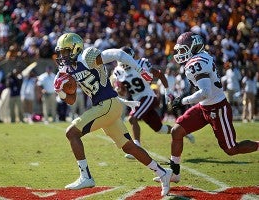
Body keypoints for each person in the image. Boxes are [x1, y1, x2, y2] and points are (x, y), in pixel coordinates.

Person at [54, 33, 172, 196]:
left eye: (65, 51)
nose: (62, 56)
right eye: (61, 52)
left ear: (75, 48)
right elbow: (72, 99)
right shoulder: (67, 69)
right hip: (106, 107)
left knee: (72, 133)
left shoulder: (87, 57)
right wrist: (60, 91)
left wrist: (139, 69)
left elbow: (118, 54)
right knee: (129, 146)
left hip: (108, 103)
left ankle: (85, 176)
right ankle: (163, 173)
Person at [169, 31, 259, 183]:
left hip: (217, 108)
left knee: (231, 149)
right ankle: (174, 173)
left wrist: (182, 101)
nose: (180, 54)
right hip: (204, 106)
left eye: (184, 49)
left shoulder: (196, 62)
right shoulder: (202, 56)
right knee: (176, 131)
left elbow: (205, 92)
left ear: (194, 47)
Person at [111, 46, 173, 159]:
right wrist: (119, 89)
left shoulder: (141, 63)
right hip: (137, 100)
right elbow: (123, 92)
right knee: (160, 129)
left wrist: (167, 91)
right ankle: (181, 131)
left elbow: (160, 74)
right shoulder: (118, 71)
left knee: (132, 118)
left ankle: (136, 148)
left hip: (148, 96)